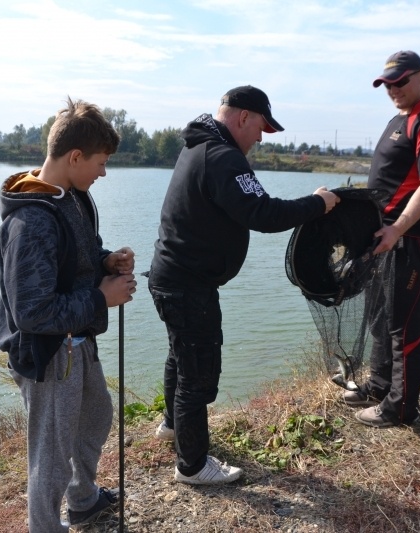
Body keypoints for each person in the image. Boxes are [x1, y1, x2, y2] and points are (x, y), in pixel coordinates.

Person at [148, 85, 340, 485]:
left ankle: (172, 427)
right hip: (188, 285)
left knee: (181, 357)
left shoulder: (198, 146)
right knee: (197, 375)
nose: (261, 137)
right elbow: (264, 213)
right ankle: (193, 466)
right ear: (243, 118)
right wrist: (318, 203)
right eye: (261, 128)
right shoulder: (223, 157)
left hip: (174, 277)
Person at [0, 97, 137, 532]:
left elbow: (79, 255)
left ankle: (84, 500)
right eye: (100, 162)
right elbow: (33, 312)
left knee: (96, 414)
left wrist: (105, 260)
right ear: (75, 156)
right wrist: (100, 299)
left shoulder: (73, 196)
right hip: (50, 352)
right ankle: (45, 526)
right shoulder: (31, 222)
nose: (104, 172)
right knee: (50, 454)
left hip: (77, 342)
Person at [344, 51, 420, 428]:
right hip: (386, 237)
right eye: (388, 84)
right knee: (380, 315)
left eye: (401, 81)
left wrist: (397, 229)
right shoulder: (399, 119)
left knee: (406, 323)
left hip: (413, 240)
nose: (393, 89)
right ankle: (378, 386)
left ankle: (400, 408)